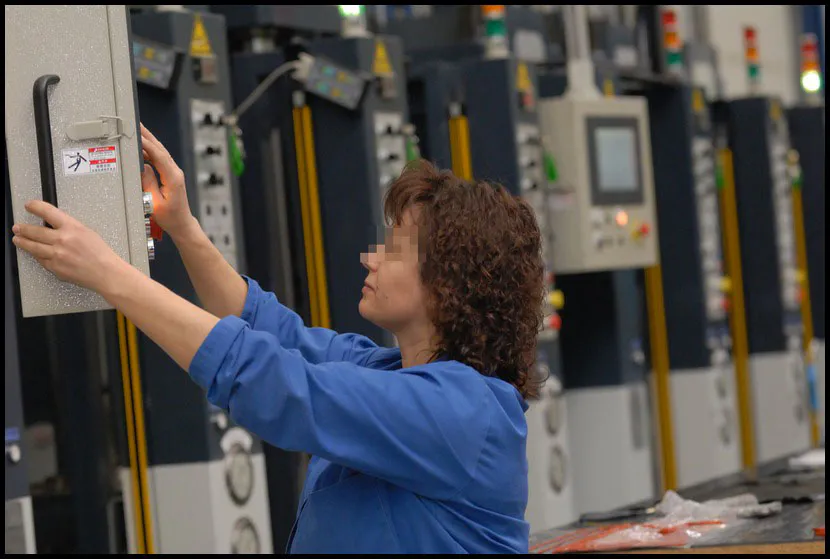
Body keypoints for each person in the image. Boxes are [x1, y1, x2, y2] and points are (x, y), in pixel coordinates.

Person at [12, 124, 546, 554]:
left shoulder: (465, 413)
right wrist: (183, 226)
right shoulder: (384, 370)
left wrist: (110, 274)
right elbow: (265, 326)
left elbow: (281, 387)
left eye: (394, 249)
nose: (370, 257)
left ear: (448, 282)